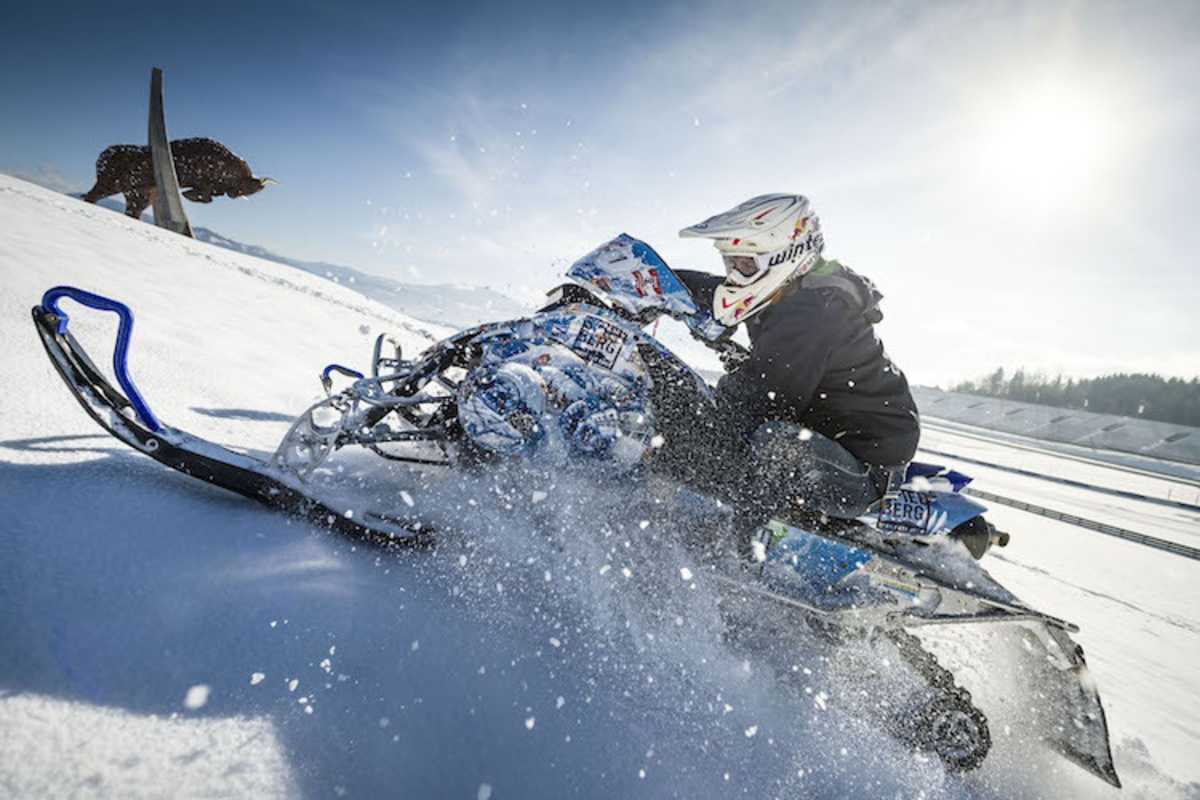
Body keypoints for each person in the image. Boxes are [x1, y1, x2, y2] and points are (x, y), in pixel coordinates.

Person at [672, 194, 920, 531]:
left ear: (786, 258)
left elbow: (759, 402)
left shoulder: (814, 313)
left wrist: (674, 433)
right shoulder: (785, 291)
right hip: (827, 433)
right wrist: (633, 284)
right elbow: (711, 291)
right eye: (731, 263)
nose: (734, 275)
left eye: (745, 264)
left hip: (863, 467)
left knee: (772, 443)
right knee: (728, 435)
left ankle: (738, 553)